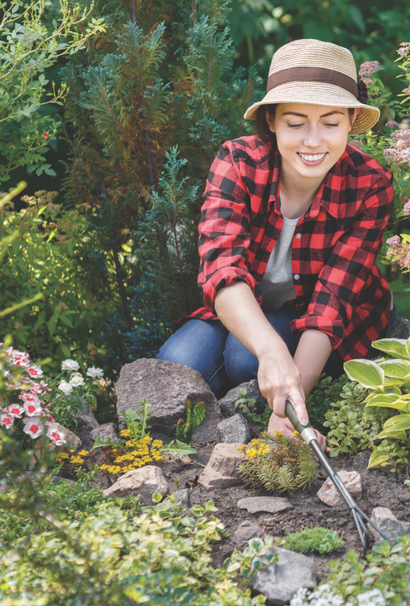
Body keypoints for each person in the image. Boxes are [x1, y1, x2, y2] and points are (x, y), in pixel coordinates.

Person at [156, 39, 393, 451]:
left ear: (352, 120)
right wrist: (271, 351)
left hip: (317, 318)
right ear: (271, 121)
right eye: (296, 123)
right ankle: (241, 395)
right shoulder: (239, 163)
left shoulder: (369, 184)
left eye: (331, 123)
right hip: (247, 302)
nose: (313, 141)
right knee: (179, 363)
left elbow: (332, 304)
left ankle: (255, 394)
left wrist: (287, 409)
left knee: (244, 361)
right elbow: (221, 268)